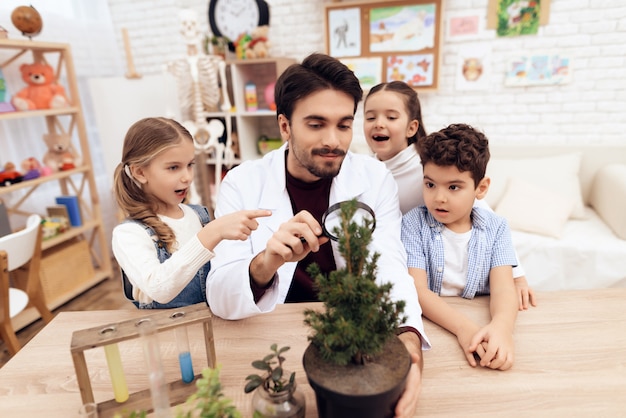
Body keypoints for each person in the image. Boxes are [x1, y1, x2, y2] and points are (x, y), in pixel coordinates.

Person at [206, 53, 429, 418]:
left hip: (347, 332)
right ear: (285, 126)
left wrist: (408, 343)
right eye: (315, 124)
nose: (333, 140)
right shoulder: (242, 183)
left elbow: (388, 264)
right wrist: (266, 262)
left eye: (344, 125)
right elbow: (219, 295)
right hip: (269, 336)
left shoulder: (374, 179)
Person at [363, 81, 536, 310]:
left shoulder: (427, 168)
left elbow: (483, 213)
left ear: (412, 128)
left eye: (391, 117)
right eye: (370, 117)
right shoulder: (367, 172)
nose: (379, 124)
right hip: (406, 262)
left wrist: (517, 275)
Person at [111, 117, 270, 309]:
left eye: (190, 165)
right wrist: (211, 233)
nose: (187, 177)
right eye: (173, 167)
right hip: (169, 334)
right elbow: (159, 289)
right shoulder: (129, 234)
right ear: (140, 173)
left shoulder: (198, 215)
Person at [401, 123, 518, 370]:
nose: (439, 197)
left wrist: (501, 328)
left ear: (481, 188)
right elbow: (418, 291)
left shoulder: (496, 228)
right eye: (430, 184)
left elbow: (504, 290)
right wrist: (465, 328)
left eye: (453, 187)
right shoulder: (413, 224)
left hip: (479, 316)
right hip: (434, 328)